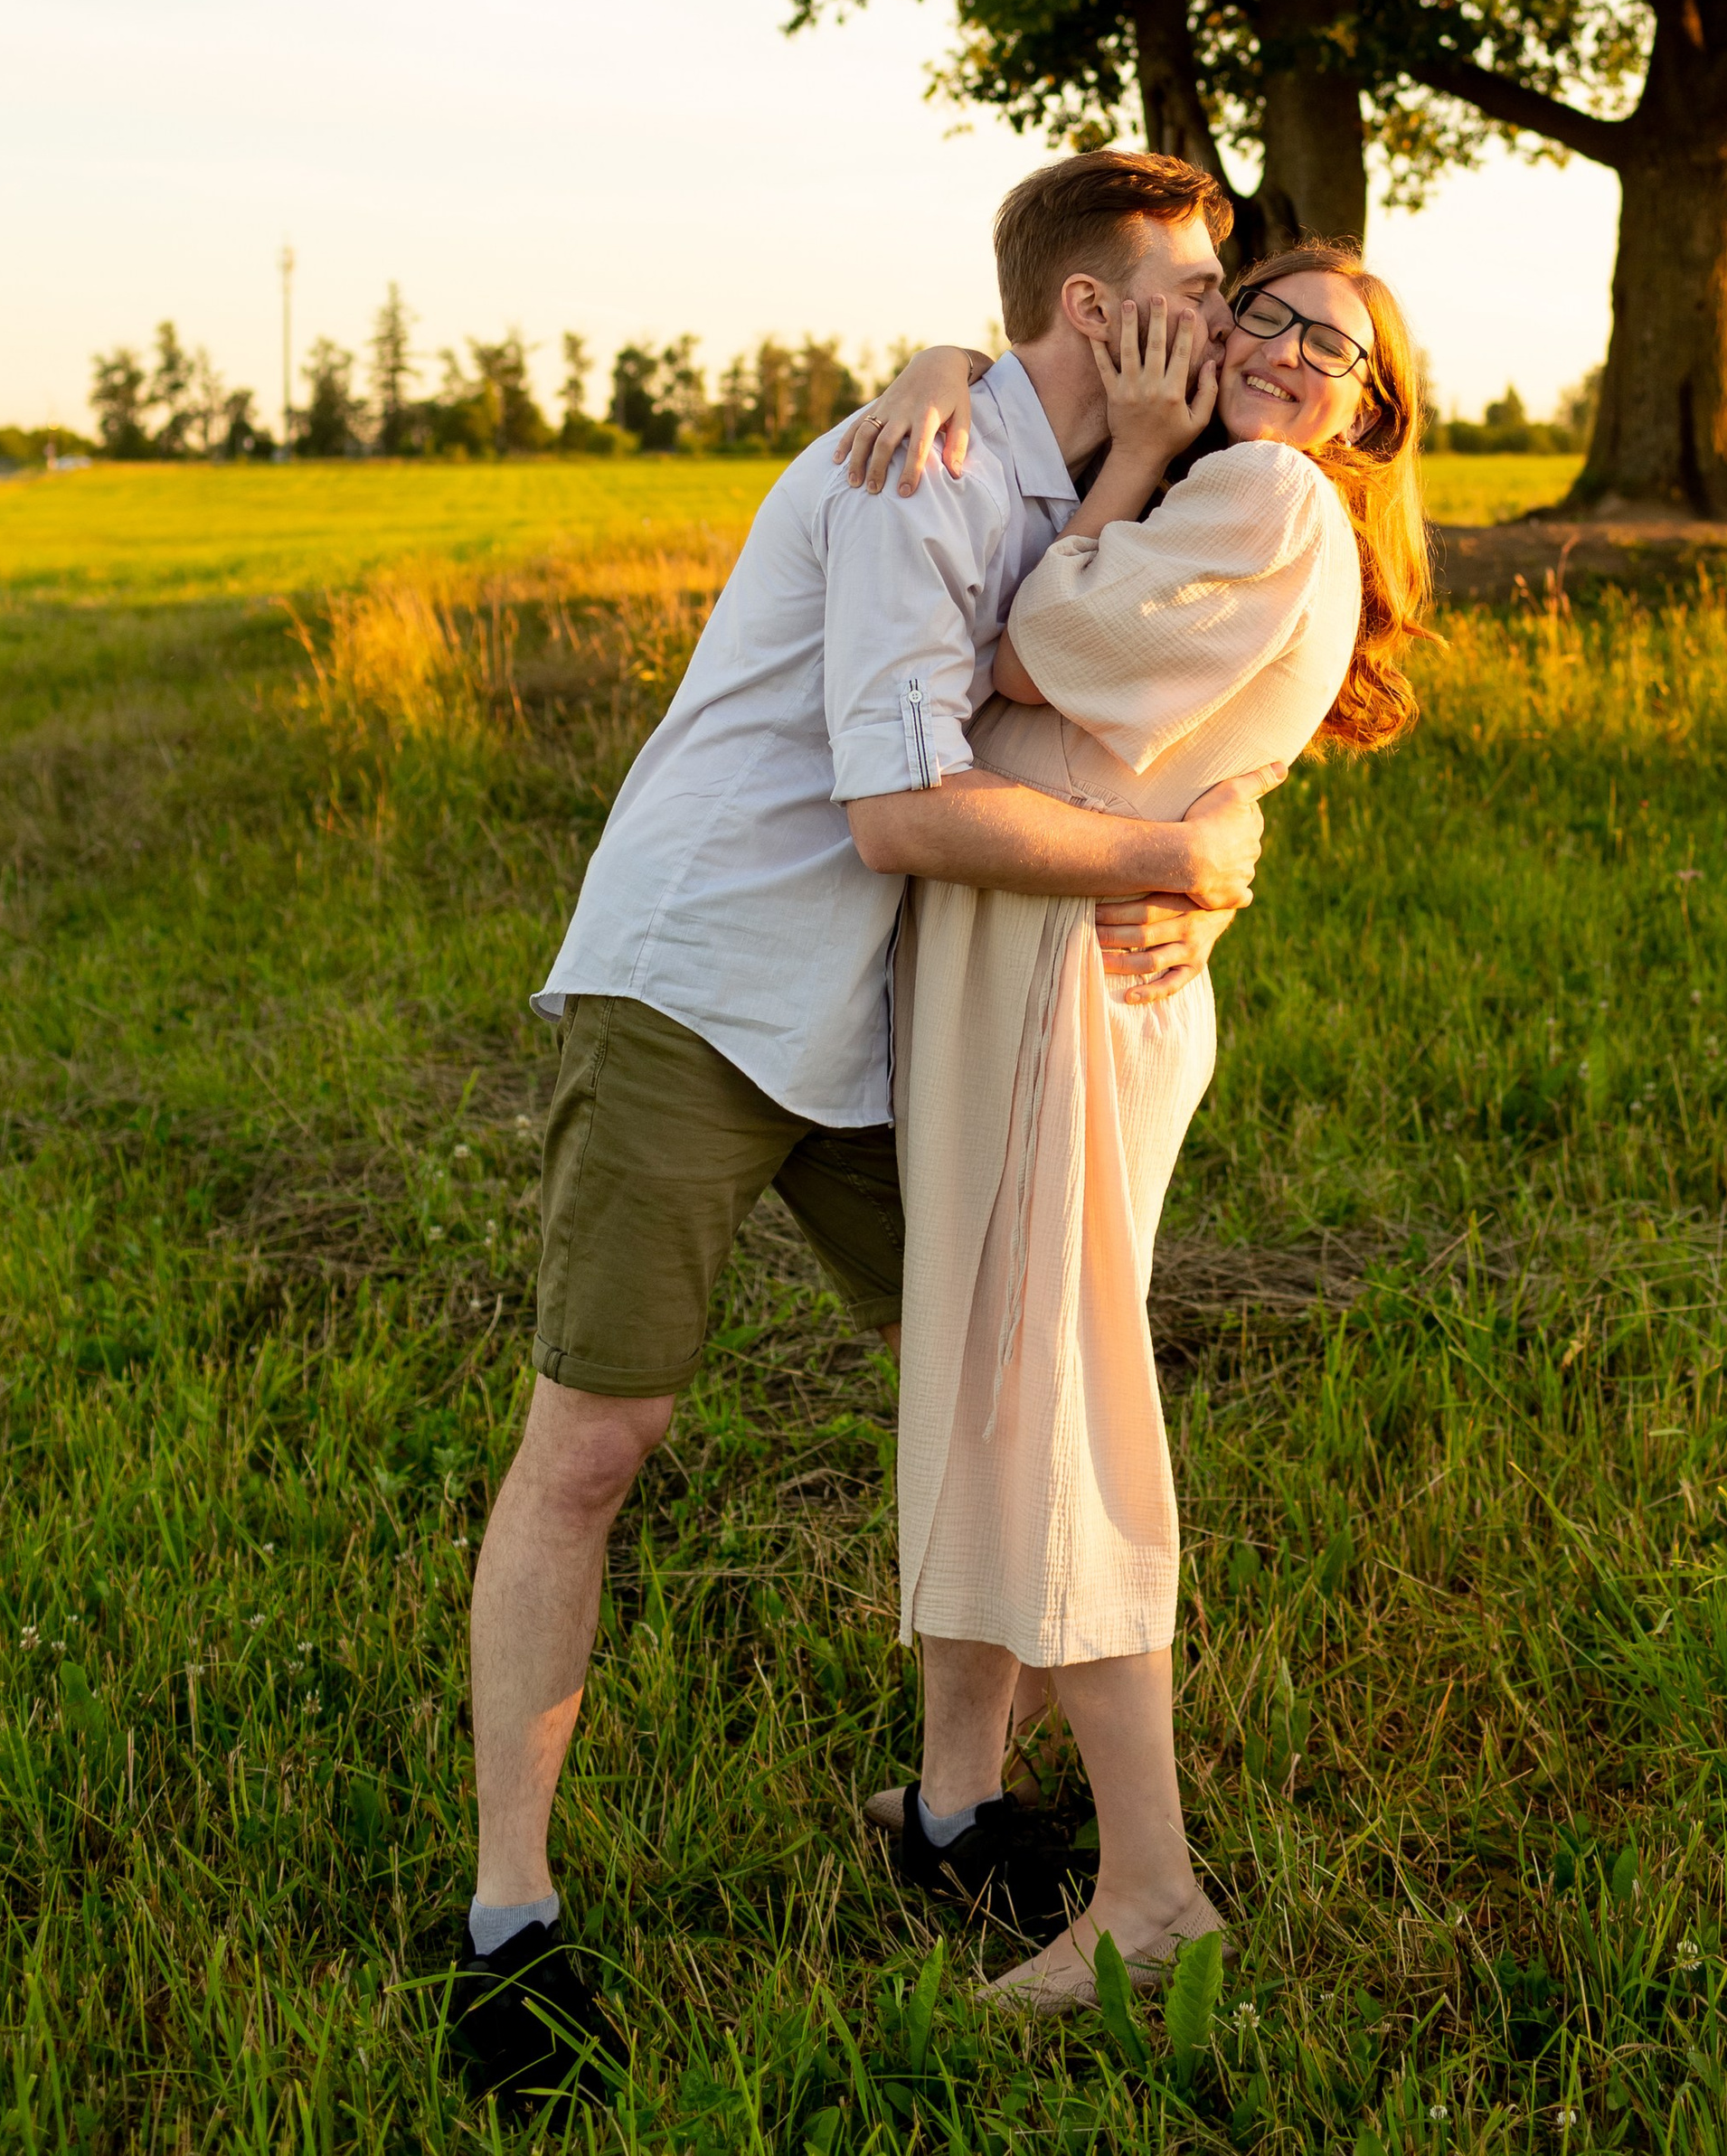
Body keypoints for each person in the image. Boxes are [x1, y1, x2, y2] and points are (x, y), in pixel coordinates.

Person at [448, 151, 1270, 2114]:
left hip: (895, 1017)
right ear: (1095, 310)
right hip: (706, 986)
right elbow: (902, 815)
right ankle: (507, 1926)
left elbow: (1069, 658)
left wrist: (1107, 450)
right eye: (1194, 280)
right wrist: (1175, 860)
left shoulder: (1061, 459)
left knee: (993, 1389)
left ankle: (953, 1811)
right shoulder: (908, 471)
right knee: (595, 1439)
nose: (1227, 311)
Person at [874, 237, 1429, 2006]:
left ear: (1372, 407)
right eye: (1261, 313)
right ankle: (959, 1793)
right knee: (998, 1379)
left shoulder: (1267, 492)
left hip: (1063, 983)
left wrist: (1115, 452)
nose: (1279, 354)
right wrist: (947, 364)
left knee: (1059, 1408)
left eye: (1325, 347)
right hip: (1037, 967)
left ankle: (1151, 1894)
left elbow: (1027, 648)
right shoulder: (1233, 496)